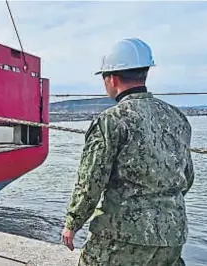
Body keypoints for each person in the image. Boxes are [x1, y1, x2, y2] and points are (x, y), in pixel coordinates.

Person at [61, 38, 193, 266]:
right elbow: (187, 178)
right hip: (173, 234)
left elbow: (91, 182)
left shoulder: (111, 121)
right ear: (145, 73)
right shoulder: (177, 118)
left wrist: (73, 223)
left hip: (122, 236)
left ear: (111, 78)